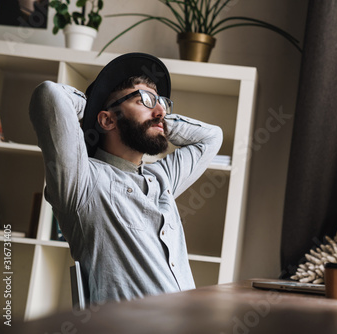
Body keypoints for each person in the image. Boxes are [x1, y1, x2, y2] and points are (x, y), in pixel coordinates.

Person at [29, 53, 223, 304]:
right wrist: (93, 107)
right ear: (108, 119)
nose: (160, 109)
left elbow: (211, 137)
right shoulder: (84, 181)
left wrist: (159, 119)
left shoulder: (161, 178)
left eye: (162, 102)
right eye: (144, 99)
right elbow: (49, 95)